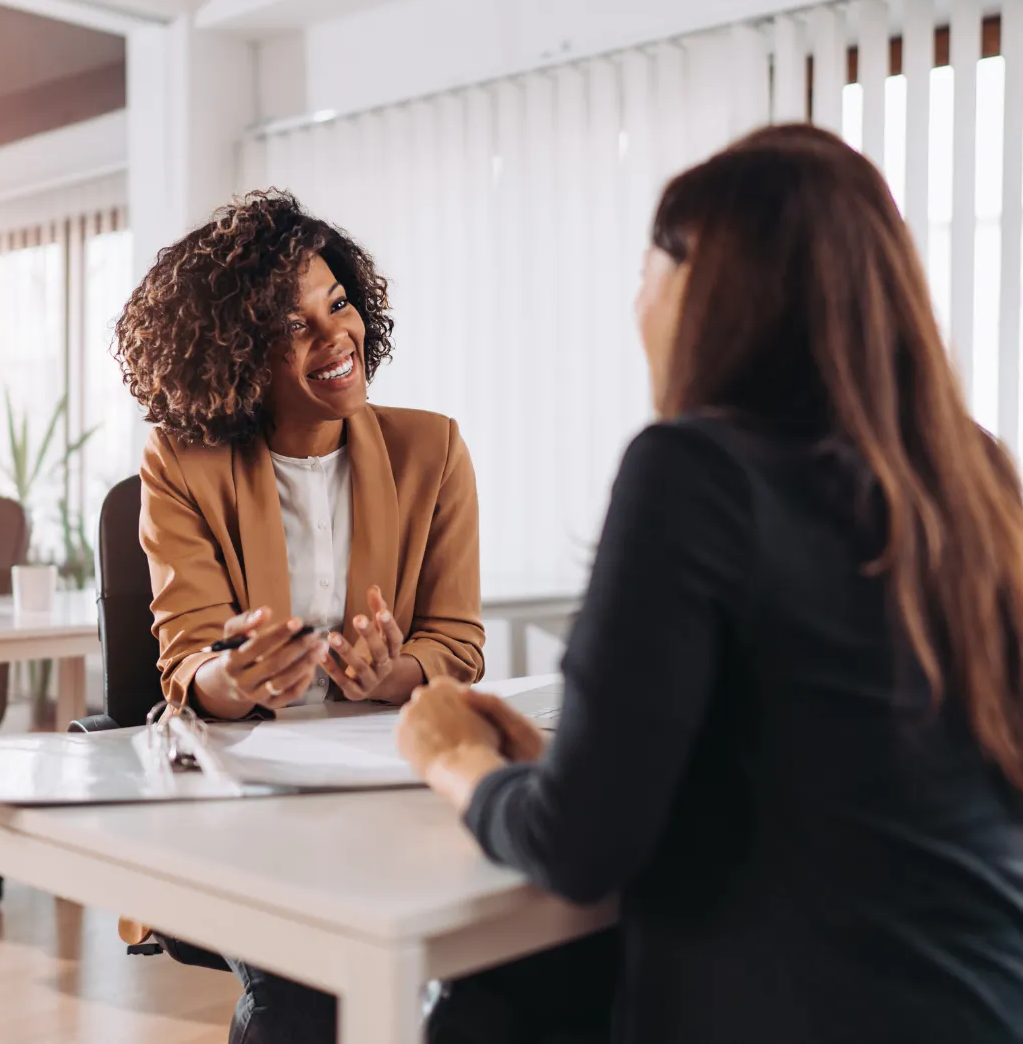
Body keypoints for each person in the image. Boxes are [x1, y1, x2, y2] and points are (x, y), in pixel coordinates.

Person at [397, 124, 1023, 1044]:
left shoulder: (692, 470)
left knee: (487, 1011)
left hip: (812, 1010)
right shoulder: (971, 473)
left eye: (647, 265)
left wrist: (452, 757)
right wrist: (570, 768)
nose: (635, 298)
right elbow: (844, 770)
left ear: (703, 283)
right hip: (987, 998)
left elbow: (578, 848)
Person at [112, 190, 485, 1043]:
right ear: (237, 351)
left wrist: (401, 672)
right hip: (248, 805)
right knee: (306, 992)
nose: (334, 339)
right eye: (294, 324)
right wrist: (234, 678)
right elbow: (186, 665)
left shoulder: (433, 450)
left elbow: (457, 641)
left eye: (339, 304)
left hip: (387, 795)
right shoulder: (184, 463)